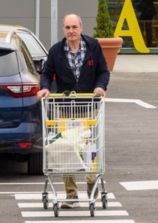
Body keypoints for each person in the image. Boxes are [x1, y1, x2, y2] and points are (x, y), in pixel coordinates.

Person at [38, 14, 109, 208]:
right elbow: (46, 73)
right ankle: (71, 194)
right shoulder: (56, 51)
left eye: (74, 27)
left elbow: (103, 71)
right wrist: (45, 88)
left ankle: (91, 182)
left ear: (81, 28)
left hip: (87, 107)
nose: (71, 31)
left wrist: (100, 87)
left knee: (89, 147)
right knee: (66, 149)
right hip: (65, 107)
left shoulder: (93, 46)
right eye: (67, 27)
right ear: (63, 29)